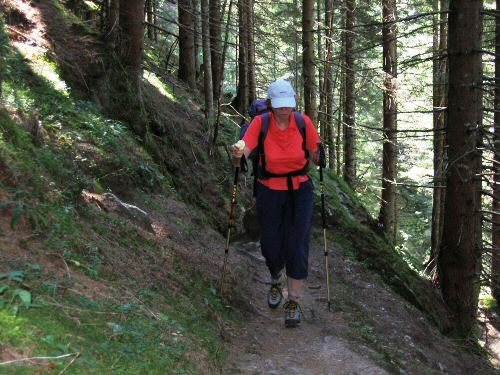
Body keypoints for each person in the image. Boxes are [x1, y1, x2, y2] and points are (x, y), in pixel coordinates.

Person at [232, 79, 321, 327]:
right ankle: (275, 277)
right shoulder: (261, 123)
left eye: (288, 105)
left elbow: (316, 157)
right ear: (271, 104)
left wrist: (319, 155)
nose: (284, 110)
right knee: (271, 244)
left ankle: (294, 301)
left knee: (297, 244)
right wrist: (239, 154)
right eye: (280, 105)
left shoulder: (303, 123)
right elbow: (246, 148)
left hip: (300, 191)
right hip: (269, 190)